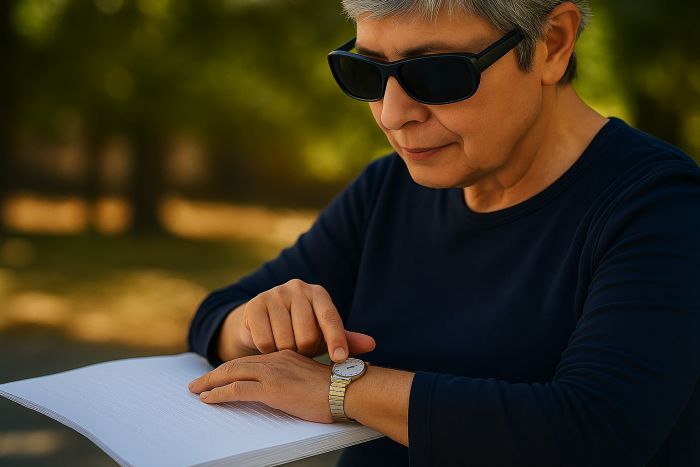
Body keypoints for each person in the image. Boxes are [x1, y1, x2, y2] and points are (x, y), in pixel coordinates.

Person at [187, 1, 700, 465]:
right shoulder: (387, 189)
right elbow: (214, 318)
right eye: (366, 72)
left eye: (436, 74)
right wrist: (256, 323)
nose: (393, 114)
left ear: (552, 44)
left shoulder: (662, 207)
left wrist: (340, 389)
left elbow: (591, 432)